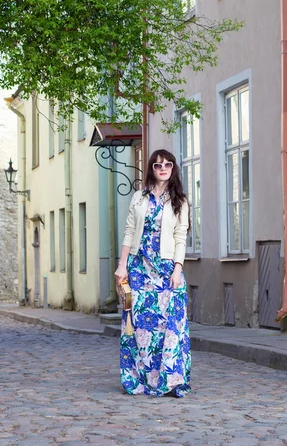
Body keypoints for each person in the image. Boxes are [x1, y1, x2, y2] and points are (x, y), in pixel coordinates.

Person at [115, 148, 191, 397]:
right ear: (151, 168)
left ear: (173, 169)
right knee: (141, 326)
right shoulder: (139, 197)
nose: (163, 169)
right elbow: (128, 231)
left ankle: (169, 379)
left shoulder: (180, 200)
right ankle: (145, 379)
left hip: (167, 269)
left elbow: (181, 237)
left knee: (169, 325)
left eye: (168, 164)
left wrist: (178, 269)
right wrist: (122, 264)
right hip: (139, 268)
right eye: (158, 165)